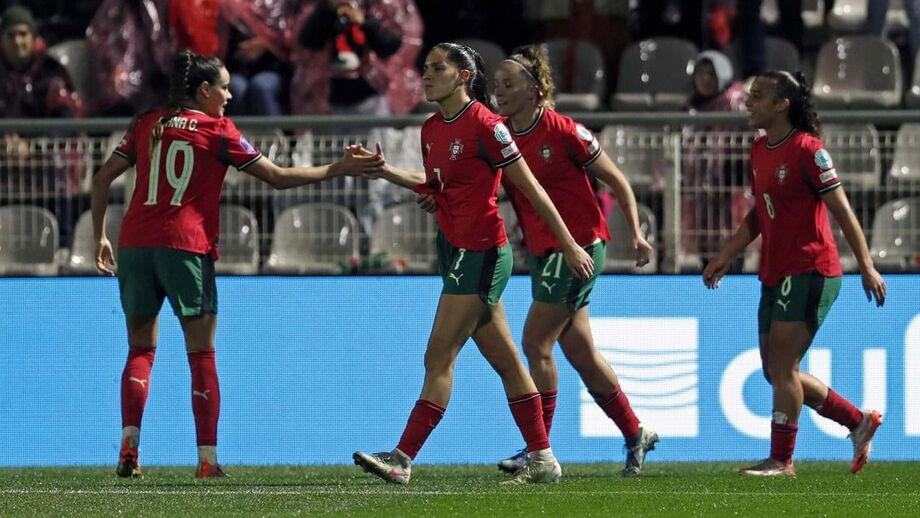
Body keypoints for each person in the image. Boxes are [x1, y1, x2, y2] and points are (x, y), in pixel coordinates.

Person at [90, 50, 383, 478]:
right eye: (224, 88)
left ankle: (129, 448)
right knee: (201, 354)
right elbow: (277, 177)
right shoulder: (217, 130)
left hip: (134, 246)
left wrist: (100, 236)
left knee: (140, 350)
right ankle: (207, 462)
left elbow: (101, 178)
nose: (229, 96)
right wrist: (337, 168)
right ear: (203, 90)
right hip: (186, 248)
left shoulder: (147, 123)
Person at [351, 42, 595, 485]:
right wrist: (386, 172)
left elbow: (532, 189)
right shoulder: (430, 129)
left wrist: (569, 244)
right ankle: (543, 458)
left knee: (438, 354)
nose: (426, 75)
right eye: (425, 68)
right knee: (507, 360)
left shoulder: (486, 124)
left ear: (463, 76)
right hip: (454, 249)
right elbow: (437, 187)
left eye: (437, 68)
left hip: (482, 252)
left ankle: (402, 458)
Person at [479, 44, 658, 477]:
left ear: (534, 89)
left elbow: (617, 180)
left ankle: (538, 450)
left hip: (579, 248)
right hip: (543, 253)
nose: (499, 91)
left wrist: (636, 233)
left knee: (535, 343)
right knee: (580, 352)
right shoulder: (500, 135)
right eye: (497, 84)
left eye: (509, 84)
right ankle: (635, 432)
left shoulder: (564, 130)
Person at [702, 70, 887, 477]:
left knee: (783, 366)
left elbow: (842, 211)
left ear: (782, 104)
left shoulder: (809, 151)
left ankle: (781, 460)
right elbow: (759, 212)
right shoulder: (758, 149)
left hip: (811, 268)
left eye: (758, 96)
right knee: (776, 371)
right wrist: (726, 254)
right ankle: (858, 421)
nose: (748, 102)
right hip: (775, 270)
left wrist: (867, 266)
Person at [681, 50, 749, 264]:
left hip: (732, 186)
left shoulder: (736, 103)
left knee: (734, 242)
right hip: (700, 190)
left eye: (711, 74)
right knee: (705, 244)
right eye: (700, 74)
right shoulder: (689, 107)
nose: (705, 79)